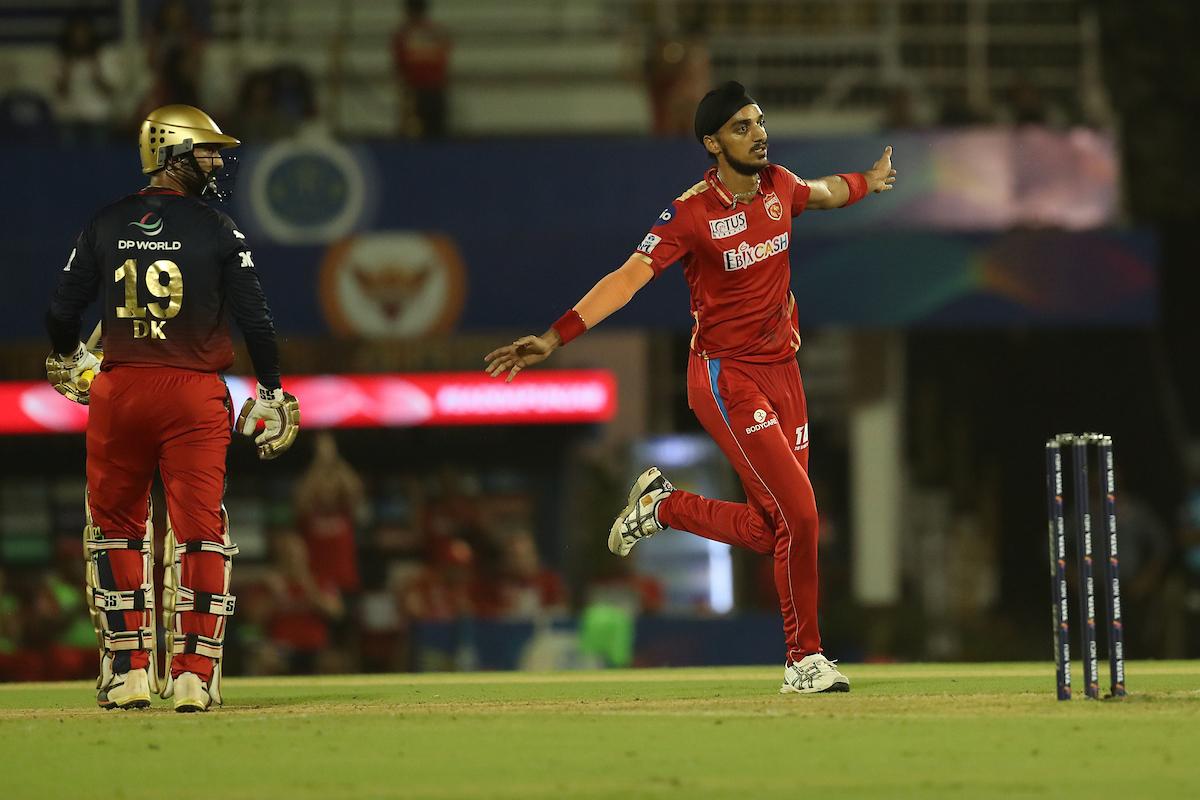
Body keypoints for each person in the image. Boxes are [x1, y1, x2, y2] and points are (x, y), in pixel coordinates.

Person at [484, 81, 895, 694]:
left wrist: (868, 181)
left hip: (786, 373)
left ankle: (663, 506)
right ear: (712, 143)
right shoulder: (691, 212)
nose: (758, 133)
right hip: (727, 378)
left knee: (768, 528)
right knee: (802, 516)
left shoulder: (780, 185)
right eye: (741, 127)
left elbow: (827, 192)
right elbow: (628, 278)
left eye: (759, 122)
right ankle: (804, 661)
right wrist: (556, 336)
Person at [44, 103, 300, 711]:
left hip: (120, 390)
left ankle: (130, 672)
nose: (216, 162)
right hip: (192, 395)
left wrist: (69, 357)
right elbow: (256, 319)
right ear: (173, 155)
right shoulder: (217, 228)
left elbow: (60, 312)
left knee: (114, 532)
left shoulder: (105, 223)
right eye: (206, 152)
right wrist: (270, 389)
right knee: (201, 535)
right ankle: (192, 676)